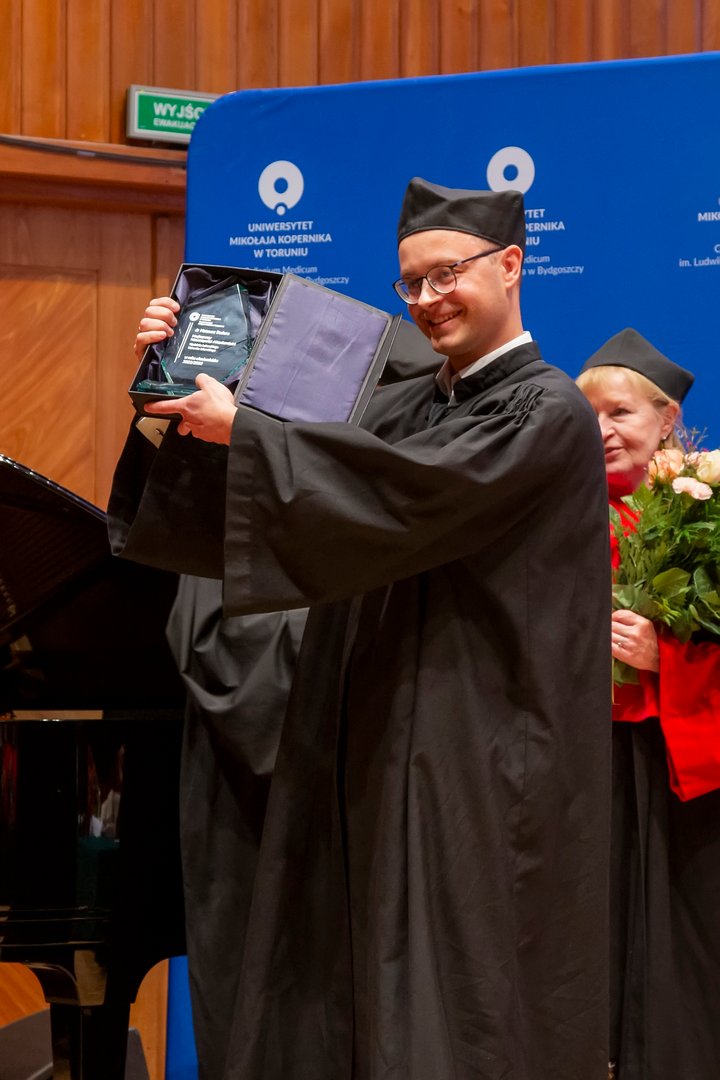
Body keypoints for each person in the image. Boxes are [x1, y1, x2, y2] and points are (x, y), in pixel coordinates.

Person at [126, 177, 613, 1080]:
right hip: (380, 734)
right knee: (356, 990)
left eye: (447, 274)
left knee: (460, 997)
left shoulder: (544, 410)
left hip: (482, 751)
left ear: (510, 265)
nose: (427, 300)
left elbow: (404, 493)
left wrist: (248, 434)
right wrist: (177, 377)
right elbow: (294, 465)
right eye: (412, 283)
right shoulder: (407, 402)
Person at [577, 328, 720, 1080]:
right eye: (587, 416)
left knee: (681, 940)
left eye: (620, 413)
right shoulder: (558, 515)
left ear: (667, 420)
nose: (601, 430)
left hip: (681, 764)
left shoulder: (705, 513)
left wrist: (665, 659)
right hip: (587, 762)